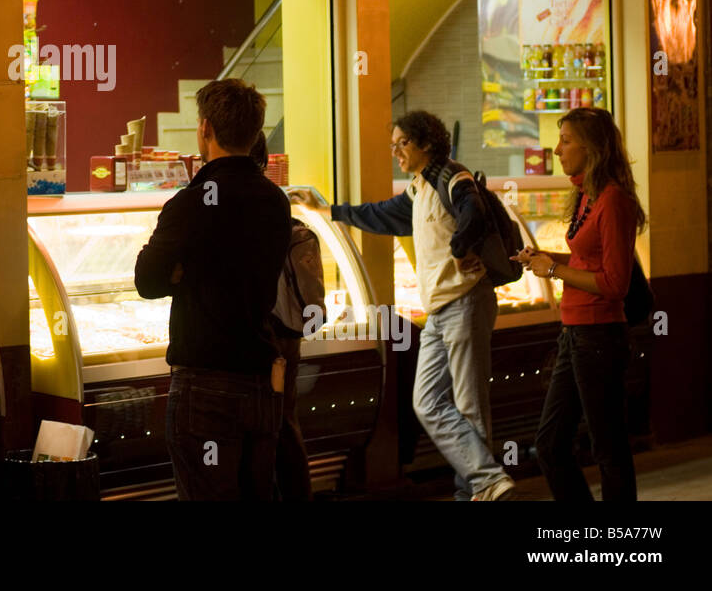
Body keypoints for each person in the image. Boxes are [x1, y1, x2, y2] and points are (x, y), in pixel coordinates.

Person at [290, 110, 515, 501]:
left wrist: (461, 249)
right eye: (392, 145)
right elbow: (383, 215)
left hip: (466, 303)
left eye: (402, 143)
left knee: (469, 405)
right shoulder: (419, 187)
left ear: (426, 143)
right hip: (439, 311)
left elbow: (473, 212)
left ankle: (477, 490)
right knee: (426, 402)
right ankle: (488, 479)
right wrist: (328, 211)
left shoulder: (451, 175)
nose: (396, 151)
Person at [136, 79, 291, 501]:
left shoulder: (190, 203)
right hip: (261, 384)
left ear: (204, 128)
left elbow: (147, 280)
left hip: (205, 388)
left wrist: (183, 273)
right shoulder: (275, 200)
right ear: (256, 132)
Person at [514, 107, 643, 501]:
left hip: (600, 336)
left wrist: (552, 271)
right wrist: (549, 258)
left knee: (608, 448)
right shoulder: (587, 195)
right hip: (575, 334)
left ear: (592, 148)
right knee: (551, 444)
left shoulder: (613, 201)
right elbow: (590, 261)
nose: (557, 149)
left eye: (566, 141)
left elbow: (615, 283)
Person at [249, 133, 312, 502]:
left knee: (271, 428)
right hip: (288, 334)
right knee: (285, 422)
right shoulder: (275, 201)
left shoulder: (248, 202)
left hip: (266, 336)